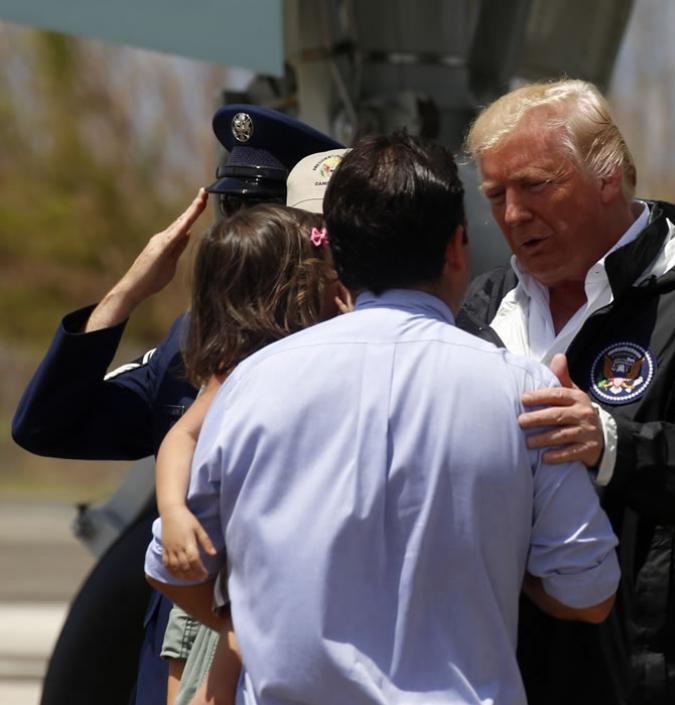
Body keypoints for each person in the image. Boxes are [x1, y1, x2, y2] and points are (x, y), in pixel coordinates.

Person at [144, 132, 621, 705]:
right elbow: (590, 594)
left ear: (335, 256)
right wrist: (498, 548)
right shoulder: (524, 392)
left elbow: (174, 569)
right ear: (456, 248)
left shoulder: (249, 385)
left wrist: (238, 623)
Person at [458, 79, 675, 705]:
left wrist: (612, 444)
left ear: (608, 176)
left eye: (535, 185)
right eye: (495, 194)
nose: (512, 215)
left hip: (655, 679)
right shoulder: (483, 308)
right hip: (499, 675)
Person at [10, 105, 341, 705]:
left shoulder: (353, 339)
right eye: (231, 212)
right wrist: (132, 288)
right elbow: (48, 425)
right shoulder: (202, 340)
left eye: (260, 216)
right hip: (191, 654)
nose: (239, 234)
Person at [156, 149, 351, 705]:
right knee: (219, 660)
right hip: (236, 580)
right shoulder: (241, 371)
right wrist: (172, 512)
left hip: (263, 578)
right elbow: (181, 437)